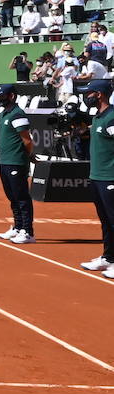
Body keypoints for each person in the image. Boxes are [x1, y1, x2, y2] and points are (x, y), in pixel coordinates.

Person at [0, 84, 37, 246]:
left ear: (11, 96)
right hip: (5, 161)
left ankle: (28, 231)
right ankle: (18, 227)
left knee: (22, 197)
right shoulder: (4, 113)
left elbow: (27, 140)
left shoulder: (18, 115)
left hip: (16, 162)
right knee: (12, 197)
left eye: (1, 96)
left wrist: (29, 155)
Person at [80, 79, 114, 278]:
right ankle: (109, 257)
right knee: (106, 221)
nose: (87, 96)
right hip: (97, 177)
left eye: (89, 93)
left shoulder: (111, 118)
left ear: (99, 94)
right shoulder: (98, 117)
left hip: (110, 178)